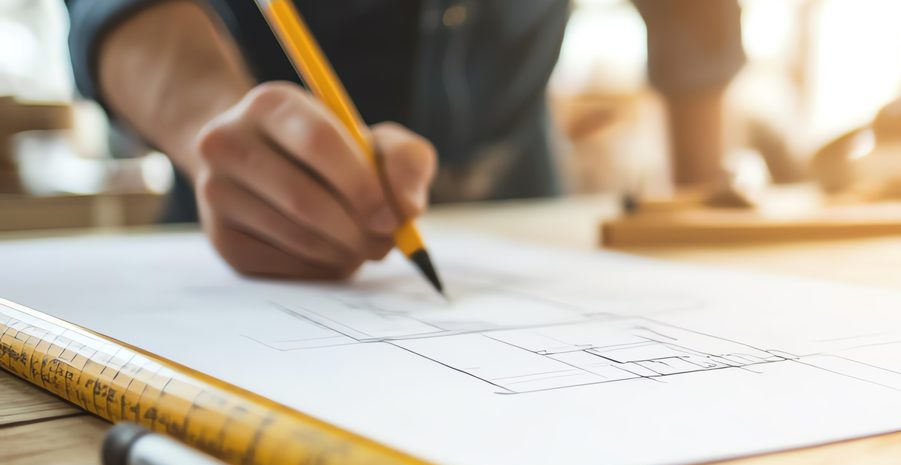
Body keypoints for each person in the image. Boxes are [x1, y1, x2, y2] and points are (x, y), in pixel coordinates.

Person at [63, 0, 743, 278]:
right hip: (251, 226)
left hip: (524, 209)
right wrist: (212, 120)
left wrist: (702, 199)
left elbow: (693, 15)